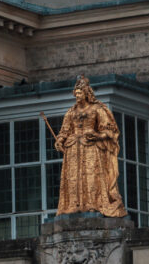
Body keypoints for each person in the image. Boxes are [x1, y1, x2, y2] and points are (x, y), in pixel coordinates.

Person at [53, 75, 127, 217]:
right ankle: (73, 205)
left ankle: (93, 203)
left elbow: (109, 129)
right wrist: (60, 140)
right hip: (73, 147)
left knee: (92, 174)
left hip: (91, 146)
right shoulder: (71, 112)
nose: (78, 96)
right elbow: (65, 130)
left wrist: (98, 136)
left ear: (87, 93)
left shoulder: (97, 109)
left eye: (80, 93)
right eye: (77, 93)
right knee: (73, 176)